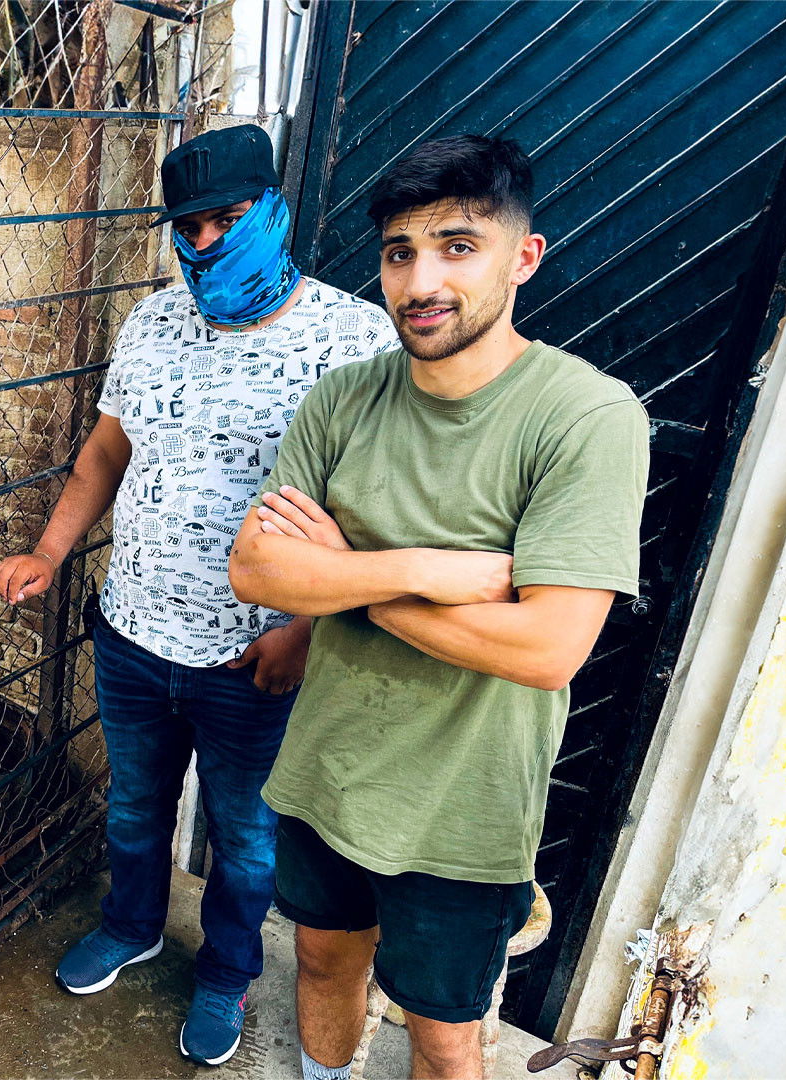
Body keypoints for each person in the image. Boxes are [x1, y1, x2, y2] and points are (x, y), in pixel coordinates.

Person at [227, 134, 650, 1080]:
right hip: (329, 770)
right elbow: (256, 570)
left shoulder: (586, 417)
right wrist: (426, 569)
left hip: (464, 810)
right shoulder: (345, 398)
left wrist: (349, 579)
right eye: (399, 253)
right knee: (321, 962)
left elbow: (546, 648)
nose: (421, 282)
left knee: (443, 1031)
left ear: (522, 258)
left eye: (459, 247)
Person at [0, 124, 393, 1067]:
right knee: (135, 807)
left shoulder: (355, 339)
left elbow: (371, 509)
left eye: (227, 219)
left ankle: (225, 975)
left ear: (274, 211)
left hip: (252, 654)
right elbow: (107, 451)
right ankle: (131, 926)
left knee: (246, 840)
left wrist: (304, 630)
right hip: (132, 631)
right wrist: (49, 550)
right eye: (190, 227)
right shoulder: (152, 322)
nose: (205, 243)